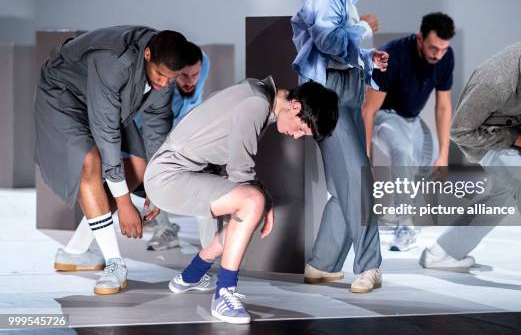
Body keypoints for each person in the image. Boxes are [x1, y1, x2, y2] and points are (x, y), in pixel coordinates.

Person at [144, 77, 339, 324]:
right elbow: (239, 170)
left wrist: (262, 200)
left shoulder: (260, 96)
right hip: (170, 176)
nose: (297, 136)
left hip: (180, 172)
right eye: (302, 129)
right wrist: (263, 200)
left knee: (249, 209)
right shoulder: (256, 104)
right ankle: (224, 293)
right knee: (252, 203)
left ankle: (193, 274)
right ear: (296, 106)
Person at [419, 33, 521, 297]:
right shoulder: (497, 81)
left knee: (504, 193)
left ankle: (443, 252)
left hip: (517, 126)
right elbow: (460, 131)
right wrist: (513, 138)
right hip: (483, 134)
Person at [36, 26, 191, 294]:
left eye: (172, 78)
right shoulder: (113, 61)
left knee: (139, 168)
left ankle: (73, 253)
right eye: (160, 75)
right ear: (147, 54)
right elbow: (106, 133)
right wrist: (123, 202)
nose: (165, 83)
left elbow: (156, 126)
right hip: (63, 95)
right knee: (90, 162)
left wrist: (155, 184)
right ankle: (115, 264)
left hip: (106, 99)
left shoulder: (164, 69)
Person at [291, 0, 389, 293]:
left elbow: (337, 47)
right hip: (330, 92)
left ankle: (322, 263)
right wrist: (363, 29)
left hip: (344, 88)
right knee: (358, 181)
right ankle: (370, 266)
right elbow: (326, 39)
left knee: (344, 183)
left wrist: (367, 57)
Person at [362, 12, 455, 251]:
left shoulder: (445, 57)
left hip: (412, 120)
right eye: (434, 48)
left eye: (443, 49)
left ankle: (396, 212)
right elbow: (369, 110)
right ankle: (404, 224)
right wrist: (365, 158)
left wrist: (444, 154)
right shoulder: (392, 56)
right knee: (402, 152)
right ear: (420, 39)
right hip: (385, 115)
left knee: (430, 161)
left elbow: (443, 106)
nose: (438, 54)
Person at [143, 42, 210, 251]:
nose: (190, 82)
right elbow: (152, 127)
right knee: (155, 172)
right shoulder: (163, 90)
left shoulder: (203, 61)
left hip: (186, 126)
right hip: (151, 129)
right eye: (183, 76)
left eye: (195, 75)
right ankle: (165, 228)